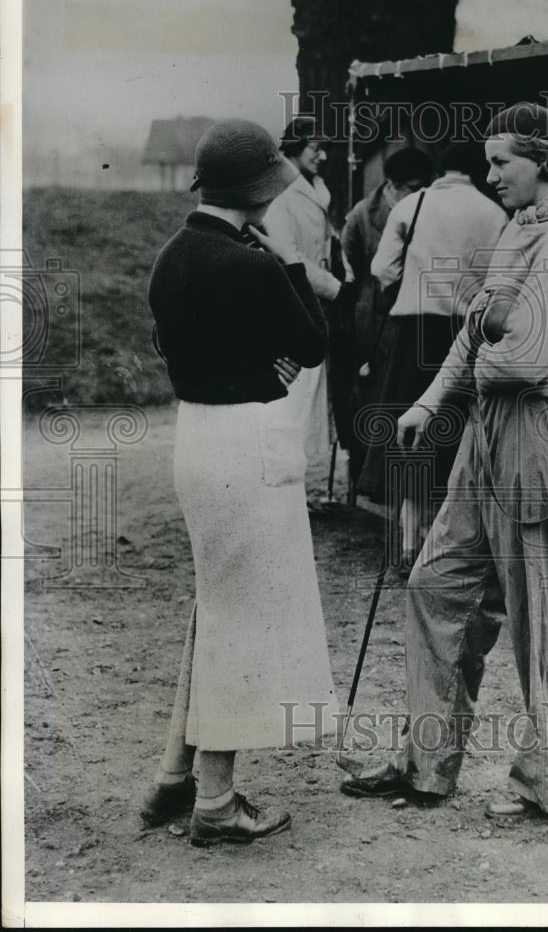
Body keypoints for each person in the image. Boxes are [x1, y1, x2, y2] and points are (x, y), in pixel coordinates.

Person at [340, 103, 548, 818]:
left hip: (541, 433)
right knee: (434, 585)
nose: (490, 176)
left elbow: (520, 361)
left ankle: (542, 780)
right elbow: (475, 335)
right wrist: (430, 402)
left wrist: (494, 342)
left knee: (538, 614)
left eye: (502, 163)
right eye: (489, 162)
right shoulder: (515, 229)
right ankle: (425, 765)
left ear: (545, 161)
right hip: (483, 432)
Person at [142, 119, 339, 846]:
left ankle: (173, 775)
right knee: (244, 621)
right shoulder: (253, 263)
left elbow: (179, 347)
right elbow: (312, 344)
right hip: (250, 446)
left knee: (217, 608)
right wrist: (287, 261)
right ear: (260, 189)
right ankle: (217, 802)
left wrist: (256, 362)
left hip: (195, 437)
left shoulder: (170, 257)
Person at [356, 142, 507, 575]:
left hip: (415, 330)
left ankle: (408, 546)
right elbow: (502, 280)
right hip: (467, 335)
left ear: (440, 172)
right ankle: (455, 547)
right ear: (475, 172)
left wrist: (412, 284)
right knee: (458, 436)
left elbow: (382, 269)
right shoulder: (494, 213)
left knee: (412, 440)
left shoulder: (411, 205)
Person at [263, 115, 355, 471]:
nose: (323, 156)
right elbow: (287, 252)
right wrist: (335, 288)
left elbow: (330, 240)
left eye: (325, 149)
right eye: (317, 148)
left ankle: (298, 481)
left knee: (312, 390)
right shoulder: (281, 189)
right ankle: (282, 477)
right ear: (296, 147)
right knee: (294, 390)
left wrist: (345, 275)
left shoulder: (315, 186)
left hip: (314, 299)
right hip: (291, 298)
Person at [342, 147, 433, 484]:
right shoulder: (363, 214)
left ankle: (403, 477)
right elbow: (350, 265)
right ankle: (367, 478)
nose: (419, 193)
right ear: (393, 184)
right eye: (412, 186)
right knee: (372, 398)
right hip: (375, 319)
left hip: (411, 316)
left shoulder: (428, 210)